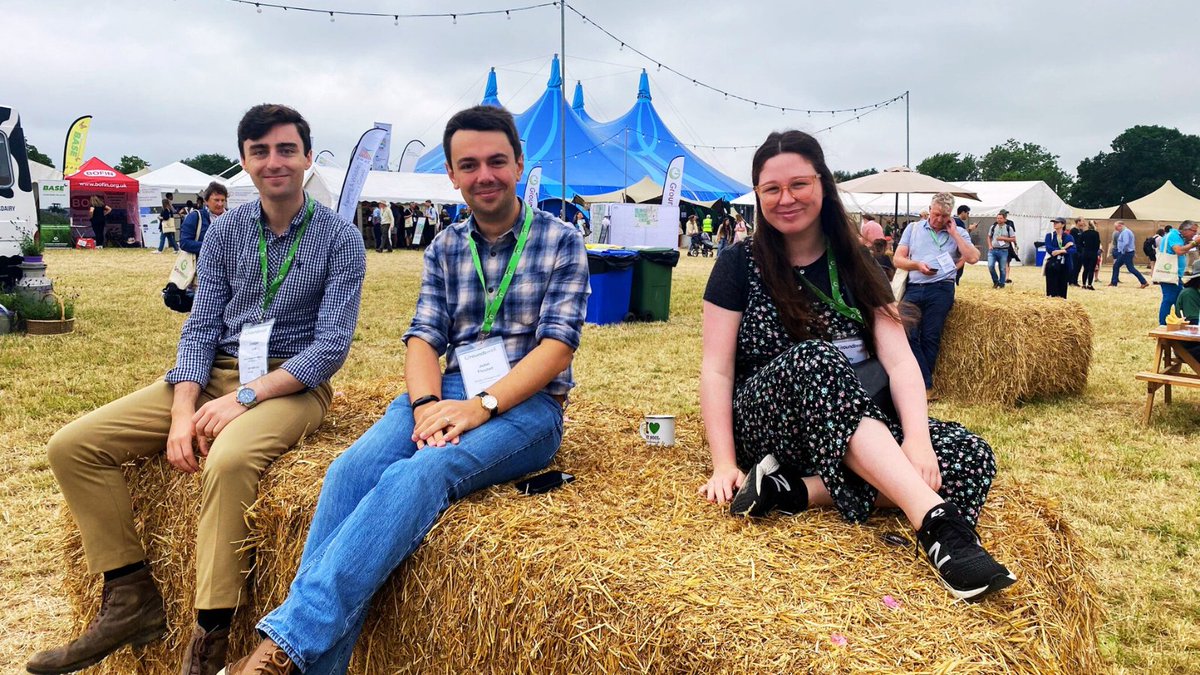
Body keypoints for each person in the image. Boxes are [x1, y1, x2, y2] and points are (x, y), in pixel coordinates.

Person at [223, 104, 589, 675]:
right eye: (469, 164)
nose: (484, 175)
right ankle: (306, 661)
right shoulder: (445, 245)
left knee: (418, 472)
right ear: (451, 174)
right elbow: (423, 337)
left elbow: (557, 346)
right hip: (443, 390)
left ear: (520, 164)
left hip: (527, 408)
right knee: (348, 471)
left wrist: (479, 406)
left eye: (497, 161)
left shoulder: (561, 241)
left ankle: (282, 646)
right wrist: (425, 407)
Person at [26, 104, 366, 675]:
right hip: (208, 374)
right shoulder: (227, 229)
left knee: (228, 461)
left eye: (286, 150)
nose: (274, 162)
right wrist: (185, 408)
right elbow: (201, 326)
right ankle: (131, 598)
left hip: (290, 383)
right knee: (72, 446)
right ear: (244, 162)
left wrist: (245, 399)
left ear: (308, 158)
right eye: (260, 152)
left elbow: (331, 347)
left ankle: (209, 642)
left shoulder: (340, 238)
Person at [698, 129, 1013, 604]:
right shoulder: (739, 264)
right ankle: (936, 524)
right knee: (815, 357)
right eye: (772, 189)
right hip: (768, 422)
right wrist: (724, 463)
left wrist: (920, 442)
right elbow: (717, 370)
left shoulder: (859, 264)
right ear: (759, 195)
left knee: (970, 453)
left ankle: (795, 492)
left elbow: (900, 360)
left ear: (823, 185)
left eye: (799, 184)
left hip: (852, 424)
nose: (786, 198)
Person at [894, 193, 980, 398]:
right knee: (906, 331)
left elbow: (973, 258)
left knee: (931, 336)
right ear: (929, 210)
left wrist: (955, 234)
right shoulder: (913, 229)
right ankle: (922, 381)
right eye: (936, 214)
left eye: (944, 216)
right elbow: (898, 259)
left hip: (941, 288)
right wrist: (916, 265)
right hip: (915, 286)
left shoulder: (958, 231)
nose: (939, 219)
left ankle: (925, 388)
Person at [1156, 220, 1199, 325]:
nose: (1194, 234)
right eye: (1193, 231)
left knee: (1178, 300)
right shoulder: (1173, 236)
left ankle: (1178, 322)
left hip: (1174, 275)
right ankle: (1163, 325)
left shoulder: (1178, 237)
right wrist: (1195, 242)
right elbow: (1179, 250)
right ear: (1185, 229)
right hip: (1169, 274)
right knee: (1169, 299)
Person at [179, 181, 228, 256]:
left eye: (222, 200)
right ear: (206, 201)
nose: (220, 204)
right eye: (216, 200)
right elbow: (184, 243)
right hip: (201, 264)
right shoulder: (195, 217)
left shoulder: (232, 217)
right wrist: (212, 246)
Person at [1109, 221, 1149, 288]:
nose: (1116, 229)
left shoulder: (1125, 232)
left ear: (1120, 226)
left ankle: (1144, 282)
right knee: (1116, 266)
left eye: (1116, 227)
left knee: (1130, 268)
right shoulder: (1126, 232)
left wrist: (1122, 251)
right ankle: (1114, 282)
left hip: (1126, 253)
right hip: (1126, 252)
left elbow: (1126, 243)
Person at [1043, 217, 1075, 298]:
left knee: (1063, 286)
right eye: (1054, 222)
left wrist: (1061, 251)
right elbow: (1049, 249)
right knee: (1051, 286)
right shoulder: (1049, 236)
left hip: (1065, 264)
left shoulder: (1068, 237)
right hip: (1052, 264)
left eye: (1057, 222)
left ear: (1063, 225)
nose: (1055, 224)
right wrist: (1064, 248)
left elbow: (1073, 249)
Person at [985, 212, 1016, 289]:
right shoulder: (993, 227)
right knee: (990, 266)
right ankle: (996, 281)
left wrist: (1003, 238)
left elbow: (1013, 239)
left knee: (1002, 268)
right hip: (993, 250)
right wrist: (989, 245)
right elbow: (989, 237)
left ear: (1005, 219)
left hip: (1003, 250)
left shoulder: (1009, 228)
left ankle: (1002, 283)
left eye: (1000, 218)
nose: (999, 220)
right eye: (997, 218)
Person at [1077, 219, 1101, 290]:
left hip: (1085, 253)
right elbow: (1097, 244)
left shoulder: (1084, 233)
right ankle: (1089, 285)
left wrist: (1084, 248)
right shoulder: (1096, 233)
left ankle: (1084, 284)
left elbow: (1080, 243)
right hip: (1093, 253)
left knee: (1085, 269)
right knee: (1091, 269)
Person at [953, 205, 973, 284]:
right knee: (958, 268)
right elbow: (960, 236)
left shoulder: (953, 220)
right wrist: (970, 229)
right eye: (967, 213)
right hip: (957, 249)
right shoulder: (959, 222)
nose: (968, 215)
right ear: (963, 212)